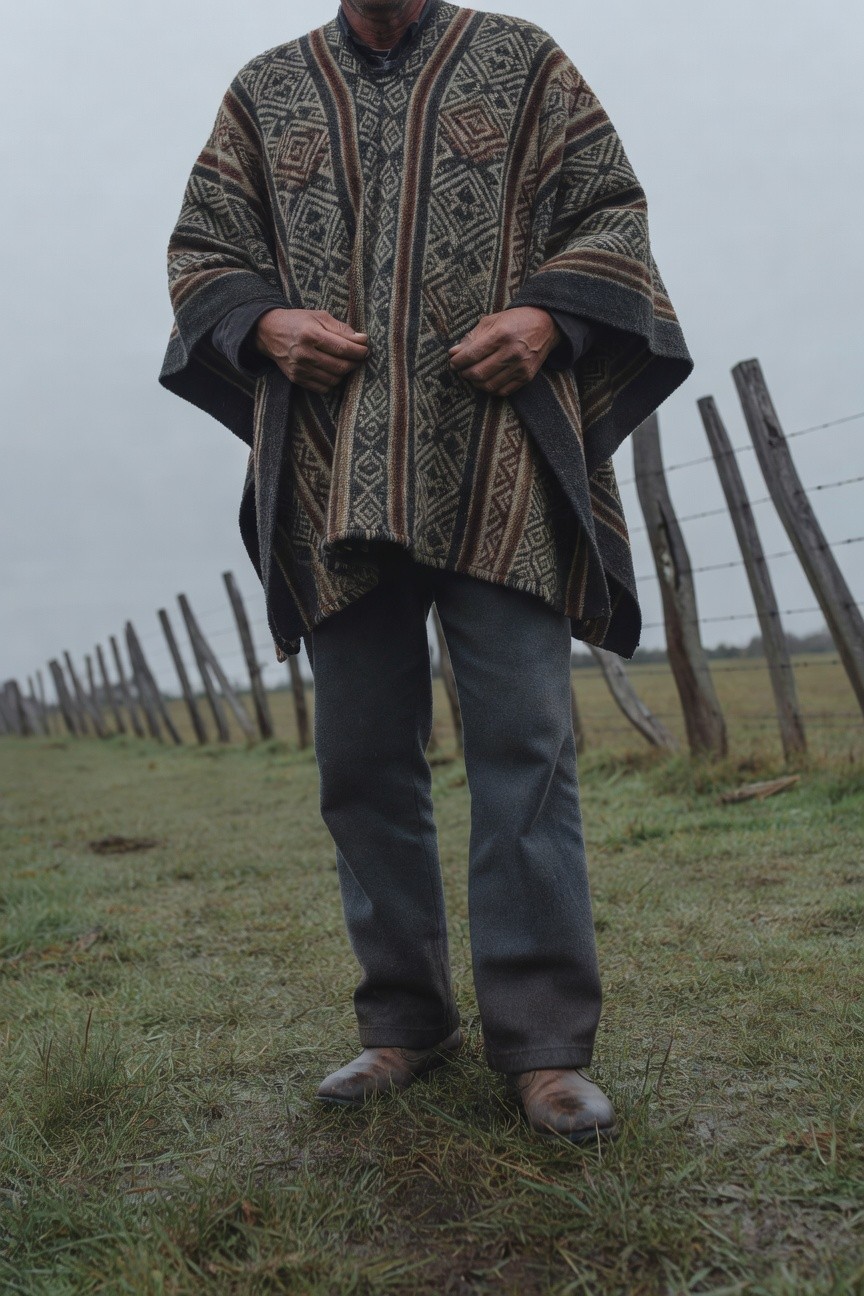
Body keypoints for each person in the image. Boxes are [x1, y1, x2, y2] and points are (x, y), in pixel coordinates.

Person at [160, 0, 693, 1143]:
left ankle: (545, 1046)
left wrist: (550, 315)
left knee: (526, 749)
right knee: (360, 763)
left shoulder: (524, 61)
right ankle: (403, 1021)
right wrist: (264, 327)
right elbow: (203, 251)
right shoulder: (268, 90)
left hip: (498, 464)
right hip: (333, 474)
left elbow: (613, 213)